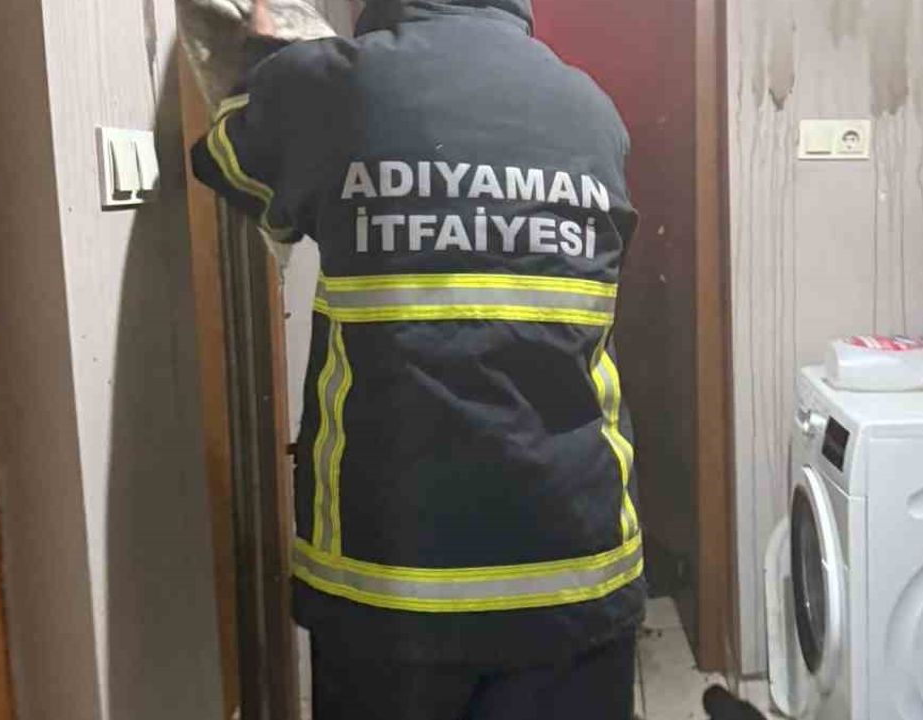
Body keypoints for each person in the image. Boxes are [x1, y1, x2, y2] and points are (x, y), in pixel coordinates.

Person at [189, 0, 644, 718]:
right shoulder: (594, 109)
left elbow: (226, 159)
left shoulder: (332, 83)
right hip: (576, 564)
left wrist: (262, 59)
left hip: (389, 580)